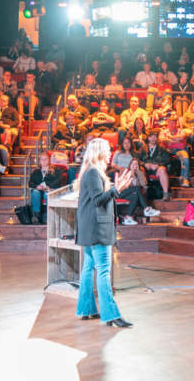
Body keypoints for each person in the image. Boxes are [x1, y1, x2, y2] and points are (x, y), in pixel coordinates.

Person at [74, 138, 135, 328]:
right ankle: (110, 315)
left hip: (91, 227)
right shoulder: (93, 172)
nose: (110, 153)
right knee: (103, 271)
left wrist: (116, 189)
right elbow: (98, 200)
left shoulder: (92, 171)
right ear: (99, 151)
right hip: (97, 229)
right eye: (108, 150)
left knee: (88, 269)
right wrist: (118, 189)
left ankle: (86, 309)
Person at [117, 158, 160, 226]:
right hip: (120, 192)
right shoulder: (124, 171)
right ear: (129, 164)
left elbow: (143, 184)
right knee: (137, 188)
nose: (133, 165)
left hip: (129, 194)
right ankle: (147, 209)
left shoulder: (138, 173)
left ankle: (128, 218)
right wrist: (133, 187)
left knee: (135, 196)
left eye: (136, 164)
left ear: (138, 166)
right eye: (132, 163)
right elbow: (122, 185)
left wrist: (139, 172)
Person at [28, 153, 65, 224]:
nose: (44, 160)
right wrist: (37, 187)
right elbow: (30, 183)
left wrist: (50, 187)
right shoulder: (36, 172)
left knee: (47, 194)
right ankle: (37, 216)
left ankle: (50, 216)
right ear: (39, 162)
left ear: (49, 160)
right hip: (40, 190)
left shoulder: (55, 169)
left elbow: (59, 179)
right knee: (35, 192)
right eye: (42, 159)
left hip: (51, 189)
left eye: (46, 159)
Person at [159, 117, 191, 187]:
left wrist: (170, 137)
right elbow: (162, 139)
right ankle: (163, 177)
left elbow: (182, 137)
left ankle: (185, 179)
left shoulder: (181, 130)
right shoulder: (163, 131)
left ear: (176, 124)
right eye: (169, 123)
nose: (170, 124)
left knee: (185, 158)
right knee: (161, 155)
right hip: (167, 149)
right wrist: (176, 140)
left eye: (172, 123)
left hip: (180, 149)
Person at [140, 132, 173, 201]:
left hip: (157, 167)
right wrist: (144, 164)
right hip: (146, 167)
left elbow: (167, 160)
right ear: (148, 138)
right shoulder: (143, 148)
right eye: (151, 137)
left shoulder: (162, 148)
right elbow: (137, 159)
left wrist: (158, 165)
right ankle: (140, 194)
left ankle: (166, 193)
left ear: (157, 138)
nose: (153, 139)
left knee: (162, 169)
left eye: (155, 137)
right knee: (139, 170)